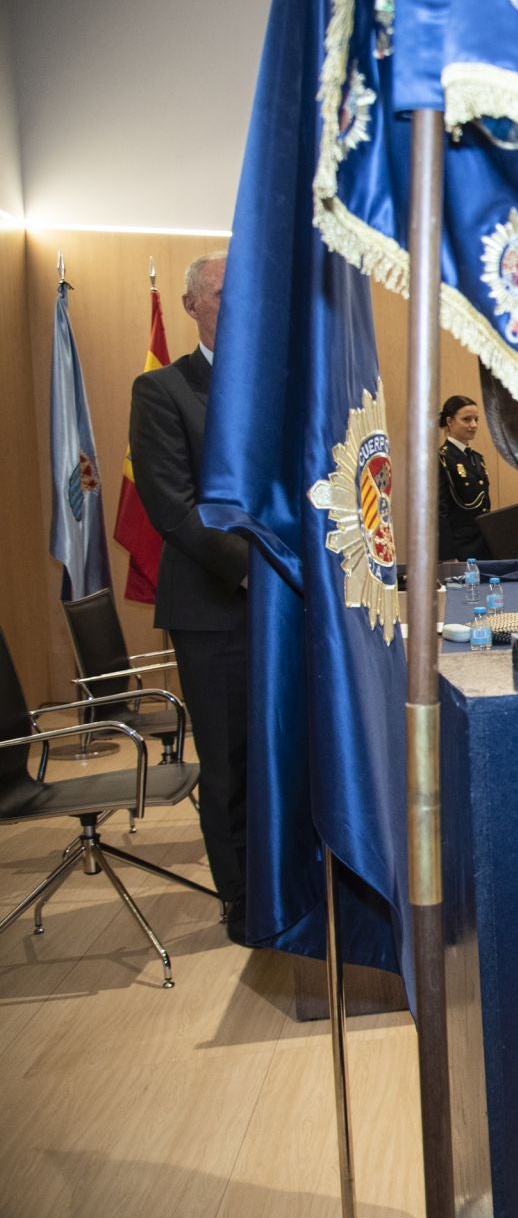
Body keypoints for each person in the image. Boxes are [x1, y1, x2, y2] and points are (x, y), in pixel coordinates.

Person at [127, 251, 252, 944]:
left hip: (286, 605)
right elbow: (171, 506)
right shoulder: (163, 391)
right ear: (192, 306)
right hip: (214, 607)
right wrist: (254, 572)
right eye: (224, 293)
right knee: (229, 760)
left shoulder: (276, 385)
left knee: (280, 751)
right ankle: (241, 896)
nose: (238, 303)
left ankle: (287, 877)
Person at [436, 394, 491, 560]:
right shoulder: (442, 459)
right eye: (466, 419)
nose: (473, 425)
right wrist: (447, 555)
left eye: (476, 419)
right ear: (450, 422)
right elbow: (440, 511)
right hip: (459, 547)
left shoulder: (476, 459)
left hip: (483, 543)